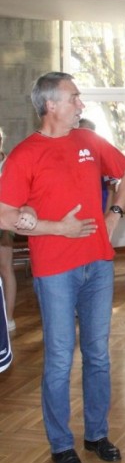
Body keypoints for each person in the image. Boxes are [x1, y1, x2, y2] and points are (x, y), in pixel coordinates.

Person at [0, 72, 125, 463]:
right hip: (55, 271)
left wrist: (114, 215)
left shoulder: (88, 141)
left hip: (98, 264)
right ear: (51, 105)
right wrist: (57, 228)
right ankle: (61, 444)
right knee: (60, 359)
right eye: (74, 98)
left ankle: (96, 434)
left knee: (98, 355)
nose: (81, 104)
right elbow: (5, 215)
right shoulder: (24, 155)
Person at [78, 118, 117, 213]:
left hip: (101, 210)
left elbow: (111, 190)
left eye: (89, 132)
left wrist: (107, 216)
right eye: (82, 132)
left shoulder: (103, 158)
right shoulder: (71, 156)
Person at [0, 127, 17, 332]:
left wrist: (6, 230)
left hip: (4, 221)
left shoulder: (9, 164)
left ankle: (9, 317)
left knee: (5, 268)